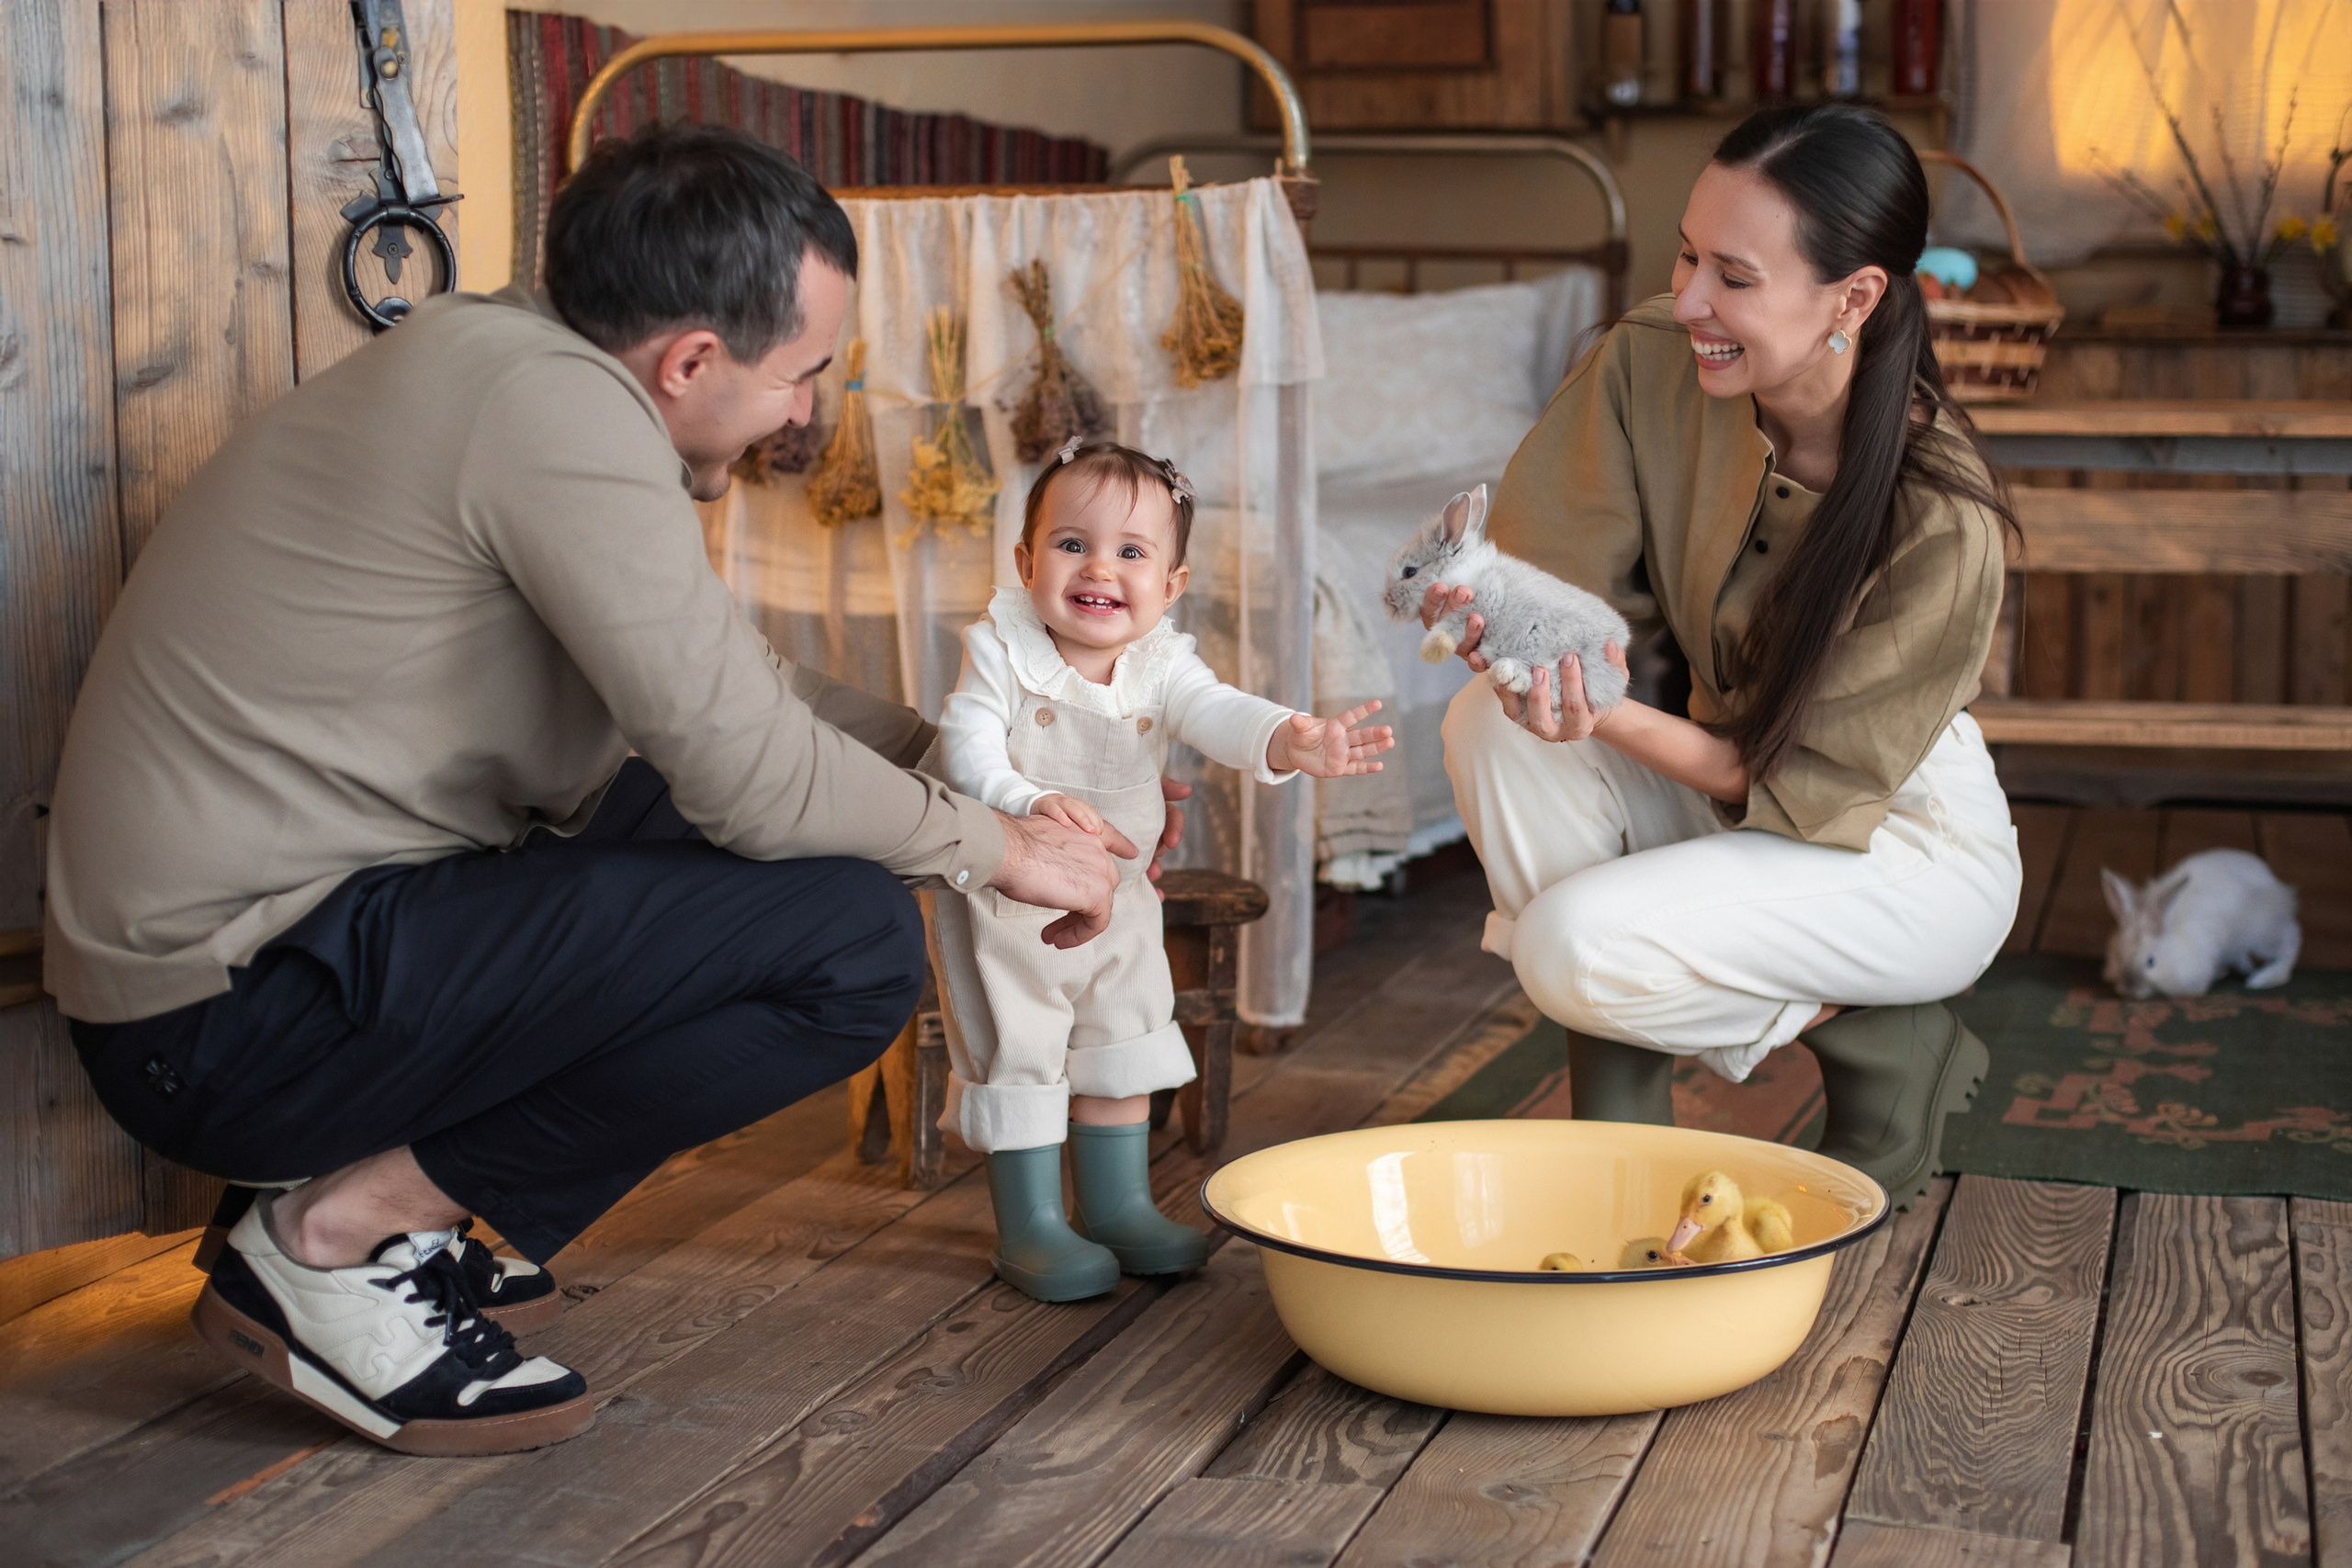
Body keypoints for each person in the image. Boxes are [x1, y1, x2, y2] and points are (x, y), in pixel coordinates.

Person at [41, 124, 1161, 1458]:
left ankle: (388, 1200)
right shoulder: (554, 416)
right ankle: (330, 1232)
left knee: (791, 856)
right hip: (225, 1018)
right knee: (849, 944)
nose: (807, 410)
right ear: (689, 361)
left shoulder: (524, 362)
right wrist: (994, 848)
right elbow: (752, 776)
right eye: (802, 375)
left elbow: (737, 688)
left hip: (294, 943)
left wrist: (971, 774)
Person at [1419, 103, 2023, 1209]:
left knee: (1563, 947)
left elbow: (1783, 783)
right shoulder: (1651, 361)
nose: (1689, 298)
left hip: (1893, 846)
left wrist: (1595, 710)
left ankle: (1881, 1036)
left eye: (1733, 277)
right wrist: (1508, 631)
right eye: (1687, 254)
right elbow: (1554, 591)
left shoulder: (1942, 515)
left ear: (1854, 297)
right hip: (1718, 779)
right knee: (1488, 734)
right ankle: (1648, 1116)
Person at [932, 440, 1392, 1303]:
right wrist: (1020, 798)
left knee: (1124, 1037)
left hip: (1123, 897)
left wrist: (1289, 736)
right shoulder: (1001, 644)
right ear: (1027, 561)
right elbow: (965, 743)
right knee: (1021, 1047)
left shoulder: (1160, 661)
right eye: (1072, 544)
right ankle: (1031, 1226)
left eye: (1132, 552)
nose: (1099, 567)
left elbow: (1215, 710)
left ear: (1172, 584)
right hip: (1007, 900)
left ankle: (1118, 1205)